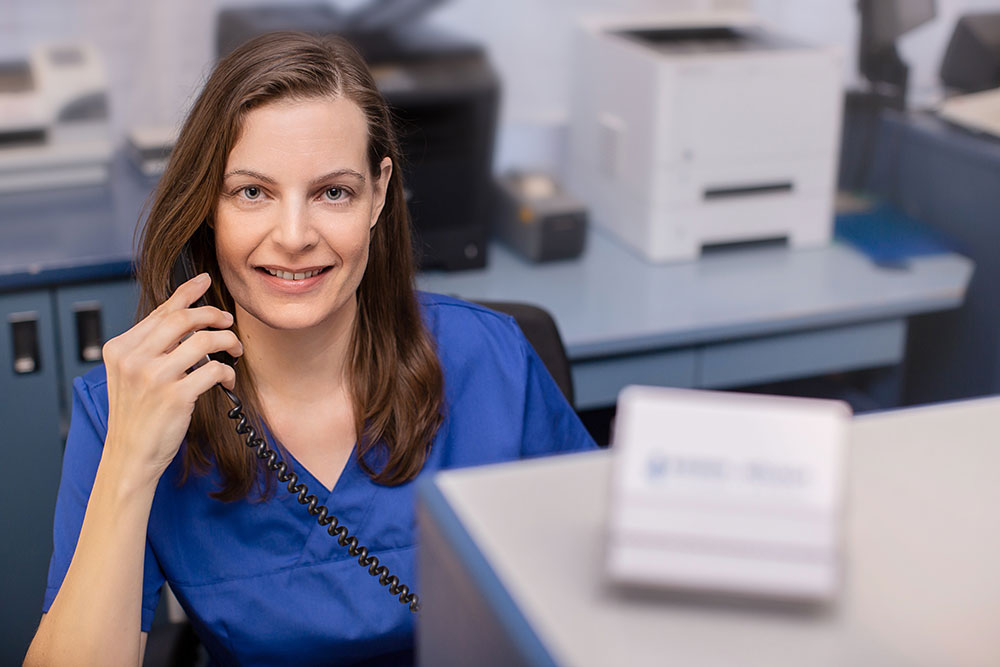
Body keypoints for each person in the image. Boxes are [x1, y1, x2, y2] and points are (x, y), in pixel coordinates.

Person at [25, 31, 596, 666]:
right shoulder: (128, 403)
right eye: (252, 192)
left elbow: (603, 588)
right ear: (206, 206)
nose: (294, 237)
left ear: (378, 194)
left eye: (333, 192)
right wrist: (130, 464)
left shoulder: (491, 360)